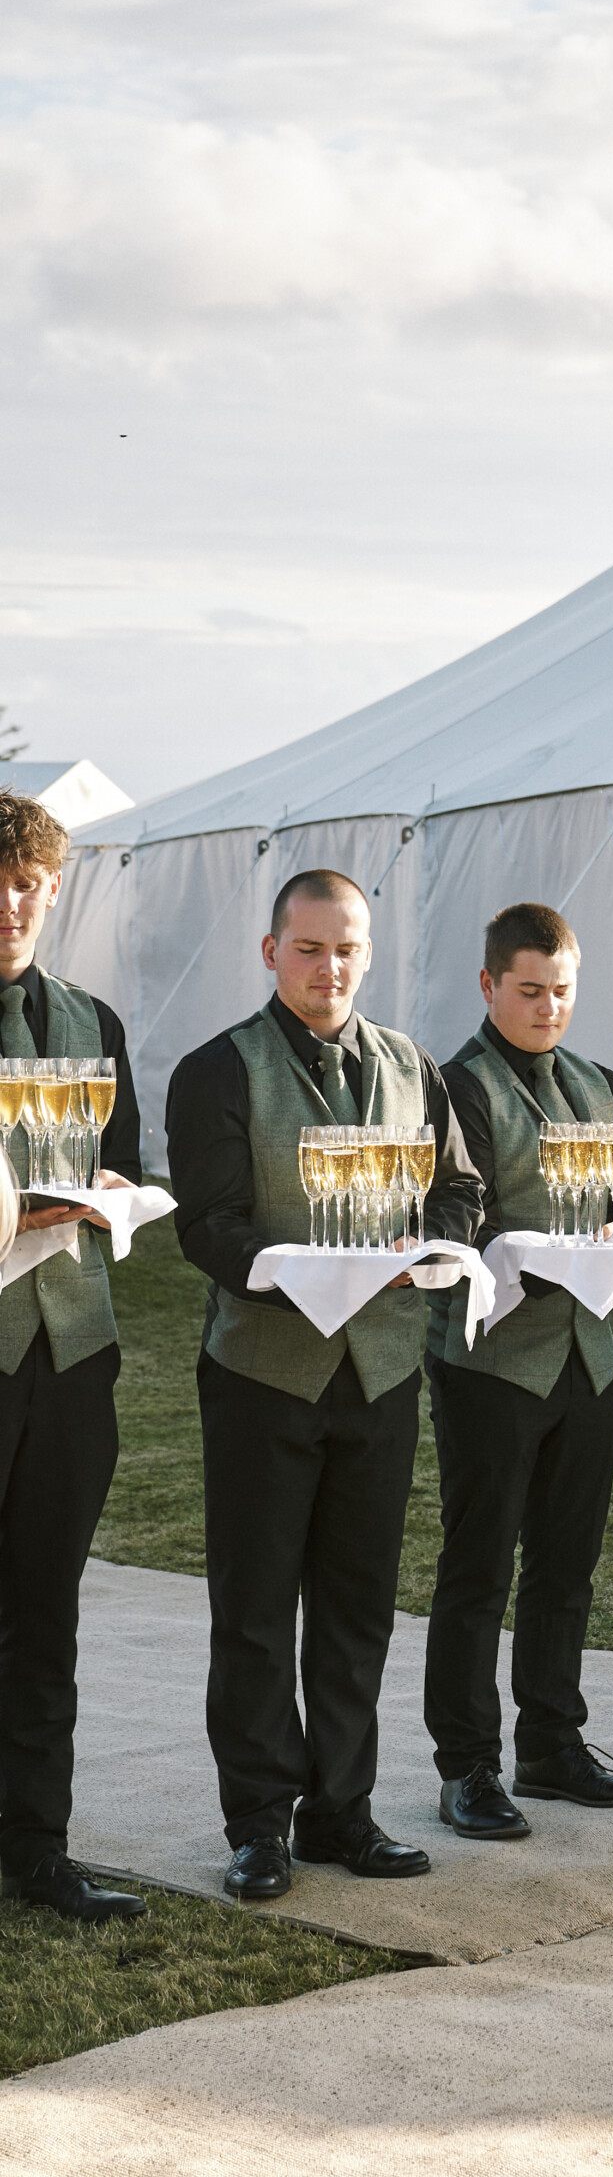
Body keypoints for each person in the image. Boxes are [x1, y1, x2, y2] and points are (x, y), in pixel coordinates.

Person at [166, 869, 484, 1902]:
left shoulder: (412, 1067)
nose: (328, 967)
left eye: (345, 948)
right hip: (264, 1370)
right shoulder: (218, 1069)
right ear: (271, 953)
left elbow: (461, 1192)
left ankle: (340, 1811)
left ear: (369, 954)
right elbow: (207, 1225)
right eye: (308, 949)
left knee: (358, 1606)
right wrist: (298, 1269)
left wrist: (430, 1243)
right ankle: (258, 1823)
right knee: (255, 1608)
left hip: (382, 1369)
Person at [423, 903, 613, 1842]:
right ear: (489, 986)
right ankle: (467, 1765)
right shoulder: (456, 1085)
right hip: (490, 1361)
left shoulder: (599, 1082)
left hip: (586, 1359)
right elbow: (455, 1215)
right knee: (478, 1570)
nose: (548, 1007)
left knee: (567, 1567)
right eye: (529, 991)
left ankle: (552, 1744)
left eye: (562, 991)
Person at [0, 792, 147, 1926]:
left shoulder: (93, 1022)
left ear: (54, 892)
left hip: (74, 1351)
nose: (10, 905)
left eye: (28, 885)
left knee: (47, 1610)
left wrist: (103, 1196)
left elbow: (127, 1165)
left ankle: (38, 1852)